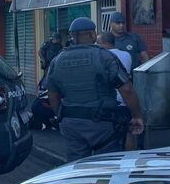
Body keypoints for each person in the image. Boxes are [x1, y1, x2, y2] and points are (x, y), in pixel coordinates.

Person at [46, 17, 144, 162]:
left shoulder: (57, 60)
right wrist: (137, 116)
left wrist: (60, 115)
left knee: (76, 166)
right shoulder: (104, 56)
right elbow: (127, 88)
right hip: (101, 122)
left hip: (71, 122)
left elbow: (52, 95)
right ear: (93, 34)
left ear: (72, 36)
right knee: (106, 165)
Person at [97, 31, 137, 151]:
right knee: (129, 130)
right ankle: (130, 158)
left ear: (103, 43)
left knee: (108, 135)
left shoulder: (101, 56)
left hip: (108, 101)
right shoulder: (126, 55)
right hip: (126, 100)